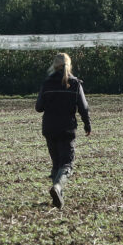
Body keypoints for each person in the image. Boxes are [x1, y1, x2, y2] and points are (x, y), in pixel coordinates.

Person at [35, 52, 91, 209]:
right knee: (67, 164)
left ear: (54, 66)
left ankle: (57, 197)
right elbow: (84, 107)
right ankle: (58, 188)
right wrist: (87, 124)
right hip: (67, 129)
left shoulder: (47, 83)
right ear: (69, 65)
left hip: (50, 128)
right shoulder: (75, 84)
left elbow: (38, 107)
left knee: (56, 163)